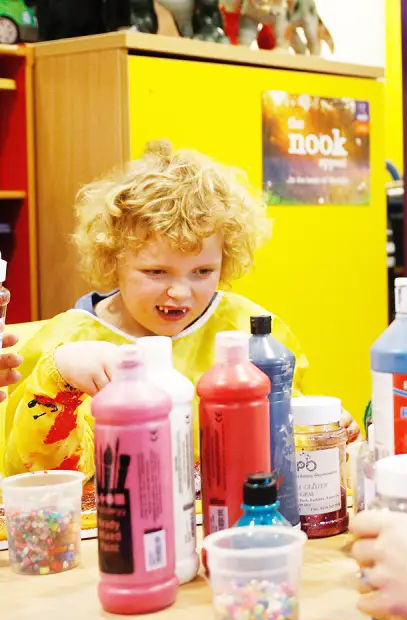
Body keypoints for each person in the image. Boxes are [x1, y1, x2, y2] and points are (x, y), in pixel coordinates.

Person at [0, 141, 358, 481]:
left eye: (202, 272)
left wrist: (319, 429)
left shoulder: (248, 333)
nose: (180, 292)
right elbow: (33, 474)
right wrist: (58, 380)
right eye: (156, 272)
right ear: (113, 260)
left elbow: (283, 436)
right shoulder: (67, 344)